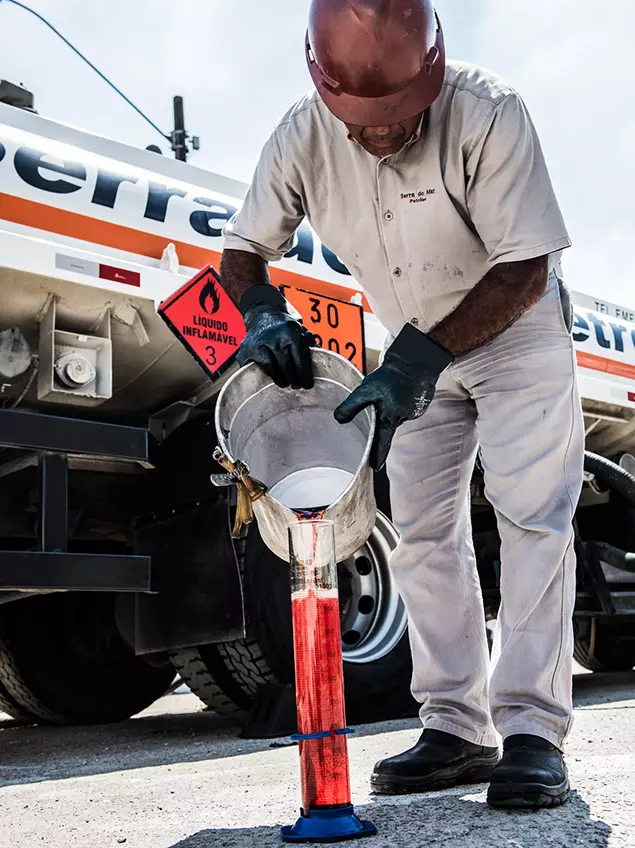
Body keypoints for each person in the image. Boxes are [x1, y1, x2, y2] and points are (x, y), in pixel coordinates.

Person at [220, 0, 584, 809]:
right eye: (362, 120)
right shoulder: (299, 136)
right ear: (324, 86)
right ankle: (456, 727)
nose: (382, 133)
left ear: (433, 69)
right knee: (419, 530)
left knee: (532, 518)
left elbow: (525, 267)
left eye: (400, 116)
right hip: (413, 343)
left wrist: (416, 361)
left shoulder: (490, 112)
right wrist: (262, 312)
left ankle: (530, 730)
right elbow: (242, 252)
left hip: (515, 332)